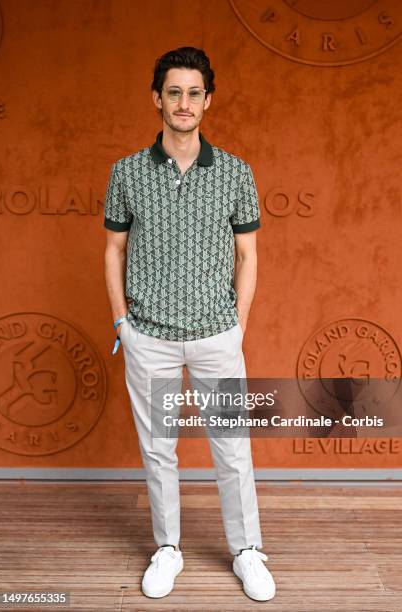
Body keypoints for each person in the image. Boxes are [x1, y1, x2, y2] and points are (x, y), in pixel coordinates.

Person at [103, 46, 275, 602]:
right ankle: (167, 548)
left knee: (233, 446)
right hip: (148, 337)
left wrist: (237, 329)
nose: (183, 102)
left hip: (216, 336)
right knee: (159, 449)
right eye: (173, 92)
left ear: (208, 100)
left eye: (193, 92)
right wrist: (122, 322)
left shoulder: (234, 173)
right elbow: (113, 250)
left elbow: (247, 257)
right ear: (157, 99)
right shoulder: (126, 172)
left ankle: (247, 550)